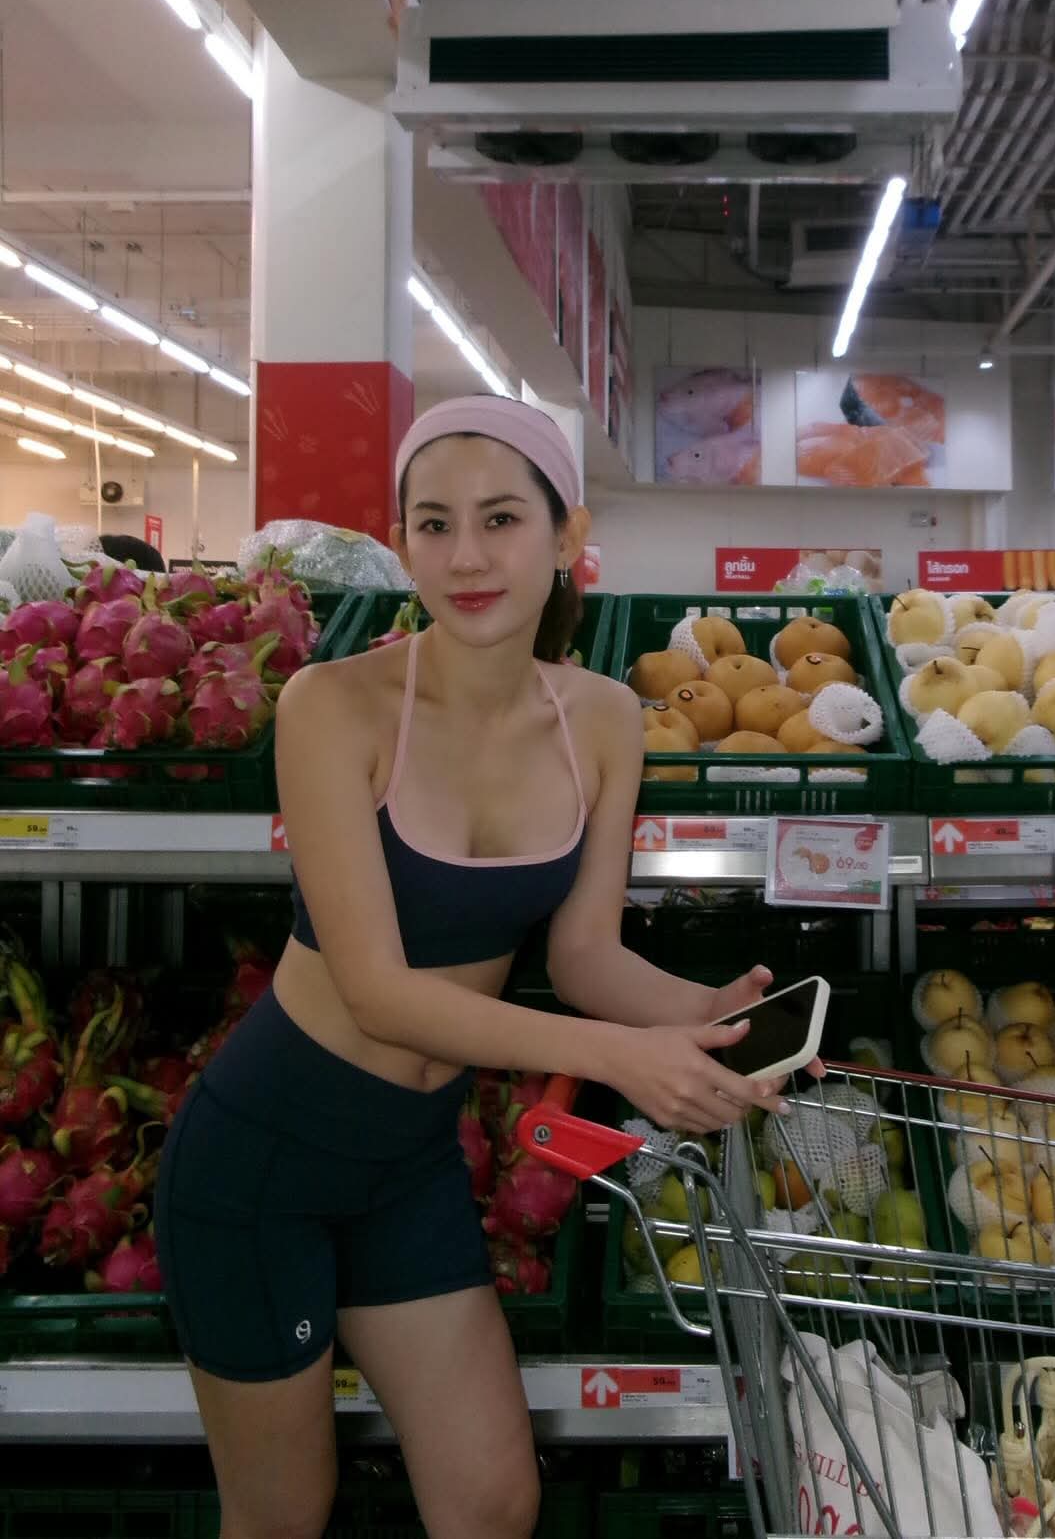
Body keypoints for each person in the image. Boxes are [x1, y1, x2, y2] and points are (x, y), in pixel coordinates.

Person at [155, 395, 793, 1539]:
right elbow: (378, 994)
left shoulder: (605, 720)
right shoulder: (333, 708)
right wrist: (623, 1059)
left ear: (566, 535)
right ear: (402, 541)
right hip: (263, 1167)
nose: (466, 557)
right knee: (282, 1515)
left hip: (408, 1165)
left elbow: (585, 957)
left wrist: (714, 1016)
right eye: (434, 524)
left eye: (501, 519)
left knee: (494, 1504)